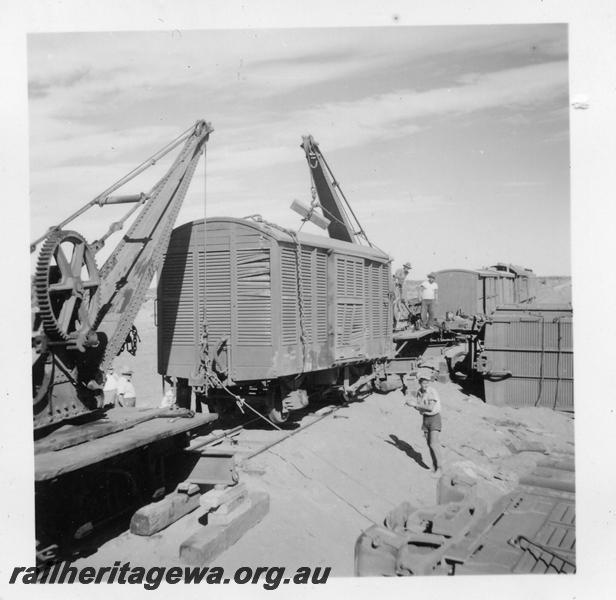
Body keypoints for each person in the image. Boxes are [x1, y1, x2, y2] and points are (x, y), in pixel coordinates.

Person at [406, 375, 443, 476]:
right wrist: (412, 404)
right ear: (420, 383)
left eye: (427, 382)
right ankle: (435, 467)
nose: (425, 385)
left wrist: (415, 405)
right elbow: (420, 409)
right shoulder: (419, 392)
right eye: (423, 383)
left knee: (434, 444)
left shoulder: (431, 391)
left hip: (434, 418)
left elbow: (430, 408)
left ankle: (440, 469)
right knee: (429, 444)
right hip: (426, 419)